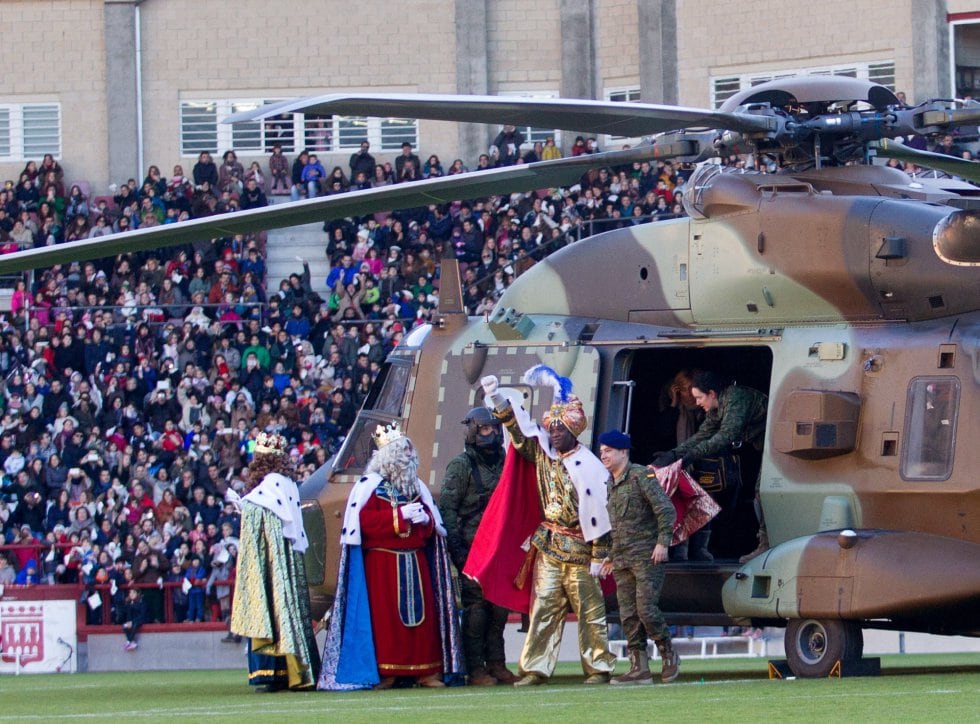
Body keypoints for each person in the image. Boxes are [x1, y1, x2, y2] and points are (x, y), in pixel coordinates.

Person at [468, 365, 617, 686]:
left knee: (590, 612)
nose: (553, 434)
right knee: (544, 607)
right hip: (548, 545)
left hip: (582, 549)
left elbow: (603, 516)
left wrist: (599, 555)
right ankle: (535, 668)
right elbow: (520, 434)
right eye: (551, 429)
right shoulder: (544, 455)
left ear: (573, 431)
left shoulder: (591, 467)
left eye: (559, 430)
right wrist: (496, 399)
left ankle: (599, 667)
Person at [318, 423, 463, 691]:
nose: (408, 455)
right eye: (402, 451)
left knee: (424, 619)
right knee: (385, 621)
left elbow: (434, 525)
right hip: (383, 564)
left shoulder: (416, 487)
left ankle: (426, 671)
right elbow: (363, 522)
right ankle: (386, 671)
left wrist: (425, 519)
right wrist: (398, 516)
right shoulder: (369, 487)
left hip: (416, 560)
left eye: (409, 451)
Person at [230, 431, 320, 691]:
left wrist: (242, 505)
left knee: (273, 607)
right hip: (285, 558)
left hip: (273, 561)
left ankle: (275, 672)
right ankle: (292, 670)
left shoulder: (272, 482)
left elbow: (263, 512)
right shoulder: (286, 482)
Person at [652, 370, 769, 562]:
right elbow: (702, 435)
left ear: (712, 394)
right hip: (766, 446)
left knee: (761, 492)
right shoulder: (716, 407)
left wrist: (688, 458)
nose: (697, 402)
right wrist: (673, 455)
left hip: (775, 445)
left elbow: (726, 435)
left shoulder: (735, 399)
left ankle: (765, 544)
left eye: (699, 397)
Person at [439, 408, 517, 686]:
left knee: (498, 610)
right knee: (475, 611)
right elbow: (447, 509)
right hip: (472, 549)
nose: (492, 434)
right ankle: (475, 668)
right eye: (485, 429)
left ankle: (496, 663)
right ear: (473, 431)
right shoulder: (461, 466)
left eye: (495, 429)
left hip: (500, 549)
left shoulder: (505, 462)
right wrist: (457, 551)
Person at [597, 430, 680, 684]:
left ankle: (668, 654)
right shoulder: (610, 482)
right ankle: (638, 666)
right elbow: (617, 524)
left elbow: (666, 510)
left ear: (624, 452)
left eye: (608, 451)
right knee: (628, 615)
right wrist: (610, 556)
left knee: (646, 610)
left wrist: (662, 542)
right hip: (622, 559)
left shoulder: (640, 476)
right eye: (602, 452)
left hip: (646, 557)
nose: (604, 456)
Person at [120, 587, 146, 651]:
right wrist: (129, 622)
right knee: (125, 626)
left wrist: (133, 621)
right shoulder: (129, 603)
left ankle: (128, 641)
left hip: (141, 619)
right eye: (130, 592)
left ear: (137, 593)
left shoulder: (142, 602)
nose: (131, 594)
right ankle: (132, 642)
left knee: (135, 624)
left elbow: (142, 615)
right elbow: (128, 614)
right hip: (132, 620)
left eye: (133, 592)